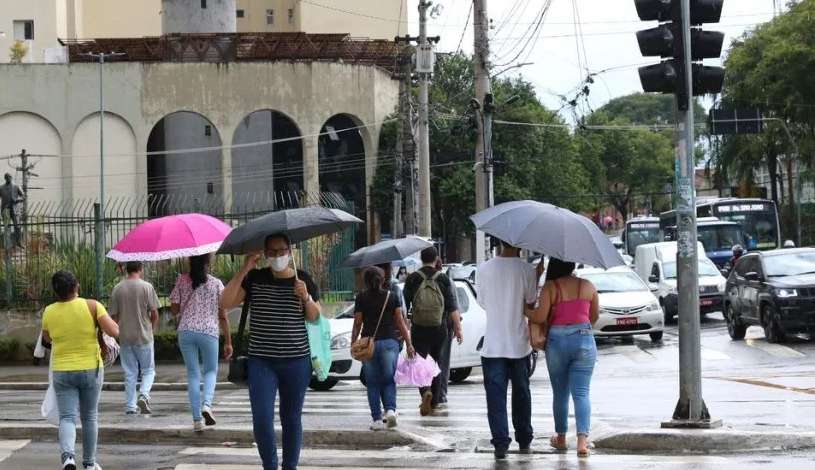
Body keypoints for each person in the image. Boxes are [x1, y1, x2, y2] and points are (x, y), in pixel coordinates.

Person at [221, 233, 321, 470]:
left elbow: (315, 316)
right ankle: (270, 465)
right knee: (262, 419)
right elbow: (225, 302)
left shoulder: (302, 278)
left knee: (291, 418)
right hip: (262, 362)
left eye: (282, 251)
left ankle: (290, 466)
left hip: (297, 361)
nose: (278, 256)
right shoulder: (256, 278)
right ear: (265, 254)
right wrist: (245, 268)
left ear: (290, 251)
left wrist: (305, 296)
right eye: (273, 252)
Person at [42, 270, 119, 470]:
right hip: (90, 369)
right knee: (89, 416)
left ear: (56, 291)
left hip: (62, 370)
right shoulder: (93, 306)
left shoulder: (49, 311)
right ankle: (89, 463)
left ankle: (68, 458)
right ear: (76, 286)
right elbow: (114, 331)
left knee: (67, 417)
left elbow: (47, 338)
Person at [527, 257, 599, 458]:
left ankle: (560, 438)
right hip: (584, 339)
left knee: (560, 393)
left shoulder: (551, 287)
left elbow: (540, 317)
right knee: (582, 393)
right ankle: (582, 443)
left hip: (557, 341)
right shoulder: (588, 286)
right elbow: (594, 317)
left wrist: (525, 309)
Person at [476, 240, 539, 459]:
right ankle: (524, 439)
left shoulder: (483, 269)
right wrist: (535, 276)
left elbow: (482, 302)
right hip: (519, 345)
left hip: (493, 345)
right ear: (520, 244)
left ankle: (501, 445)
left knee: (495, 398)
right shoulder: (527, 270)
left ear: (500, 242)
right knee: (522, 395)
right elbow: (531, 302)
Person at [170, 254, 232, 432]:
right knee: (211, 370)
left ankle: (197, 420)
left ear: (190, 261)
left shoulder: (182, 280)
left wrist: (181, 298)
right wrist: (228, 342)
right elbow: (223, 315)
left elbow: (174, 309)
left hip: (186, 331)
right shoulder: (217, 284)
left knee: (193, 374)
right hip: (209, 331)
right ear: (208, 263)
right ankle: (207, 405)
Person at [352, 267, 414, 430]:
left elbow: (358, 323)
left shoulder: (361, 298)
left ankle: (377, 420)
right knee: (388, 379)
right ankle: (391, 410)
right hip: (389, 342)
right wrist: (408, 343)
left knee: (372, 383)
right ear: (382, 279)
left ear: (366, 280)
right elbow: (400, 322)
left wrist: (353, 342)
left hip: (369, 344)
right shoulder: (391, 296)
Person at [403, 246, 463, 416]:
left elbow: (405, 306)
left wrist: (405, 328)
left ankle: (425, 392)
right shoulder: (443, 279)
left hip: (419, 328)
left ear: (421, 259)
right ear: (436, 259)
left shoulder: (413, 279)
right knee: (437, 363)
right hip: (440, 329)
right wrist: (458, 329)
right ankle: (435, 400)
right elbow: (452, 307)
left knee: (420, 363)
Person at [108, 261, 160, 415]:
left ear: (126, 270)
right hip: (144, 335)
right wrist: (151, 328)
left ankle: (130, 406)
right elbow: (155, 313)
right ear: (141, 269)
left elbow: (114, 317)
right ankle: (144, 394)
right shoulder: (147, 287)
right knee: (148, 370)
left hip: (125, 337)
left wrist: (110, 334)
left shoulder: (117, 288)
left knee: (130, 372)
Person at [0, 172, 24, 247]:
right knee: (6, 228)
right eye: (6, 177)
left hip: (15, 210)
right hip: (5, 210)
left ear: (11, 177)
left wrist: (17, 200)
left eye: (9, 177)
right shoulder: (1, 188)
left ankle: (19, 242)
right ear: (5, 178)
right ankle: (7, 244)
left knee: (17, 226)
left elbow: (23, 196)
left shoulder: (16, 186)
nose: (8, 178)